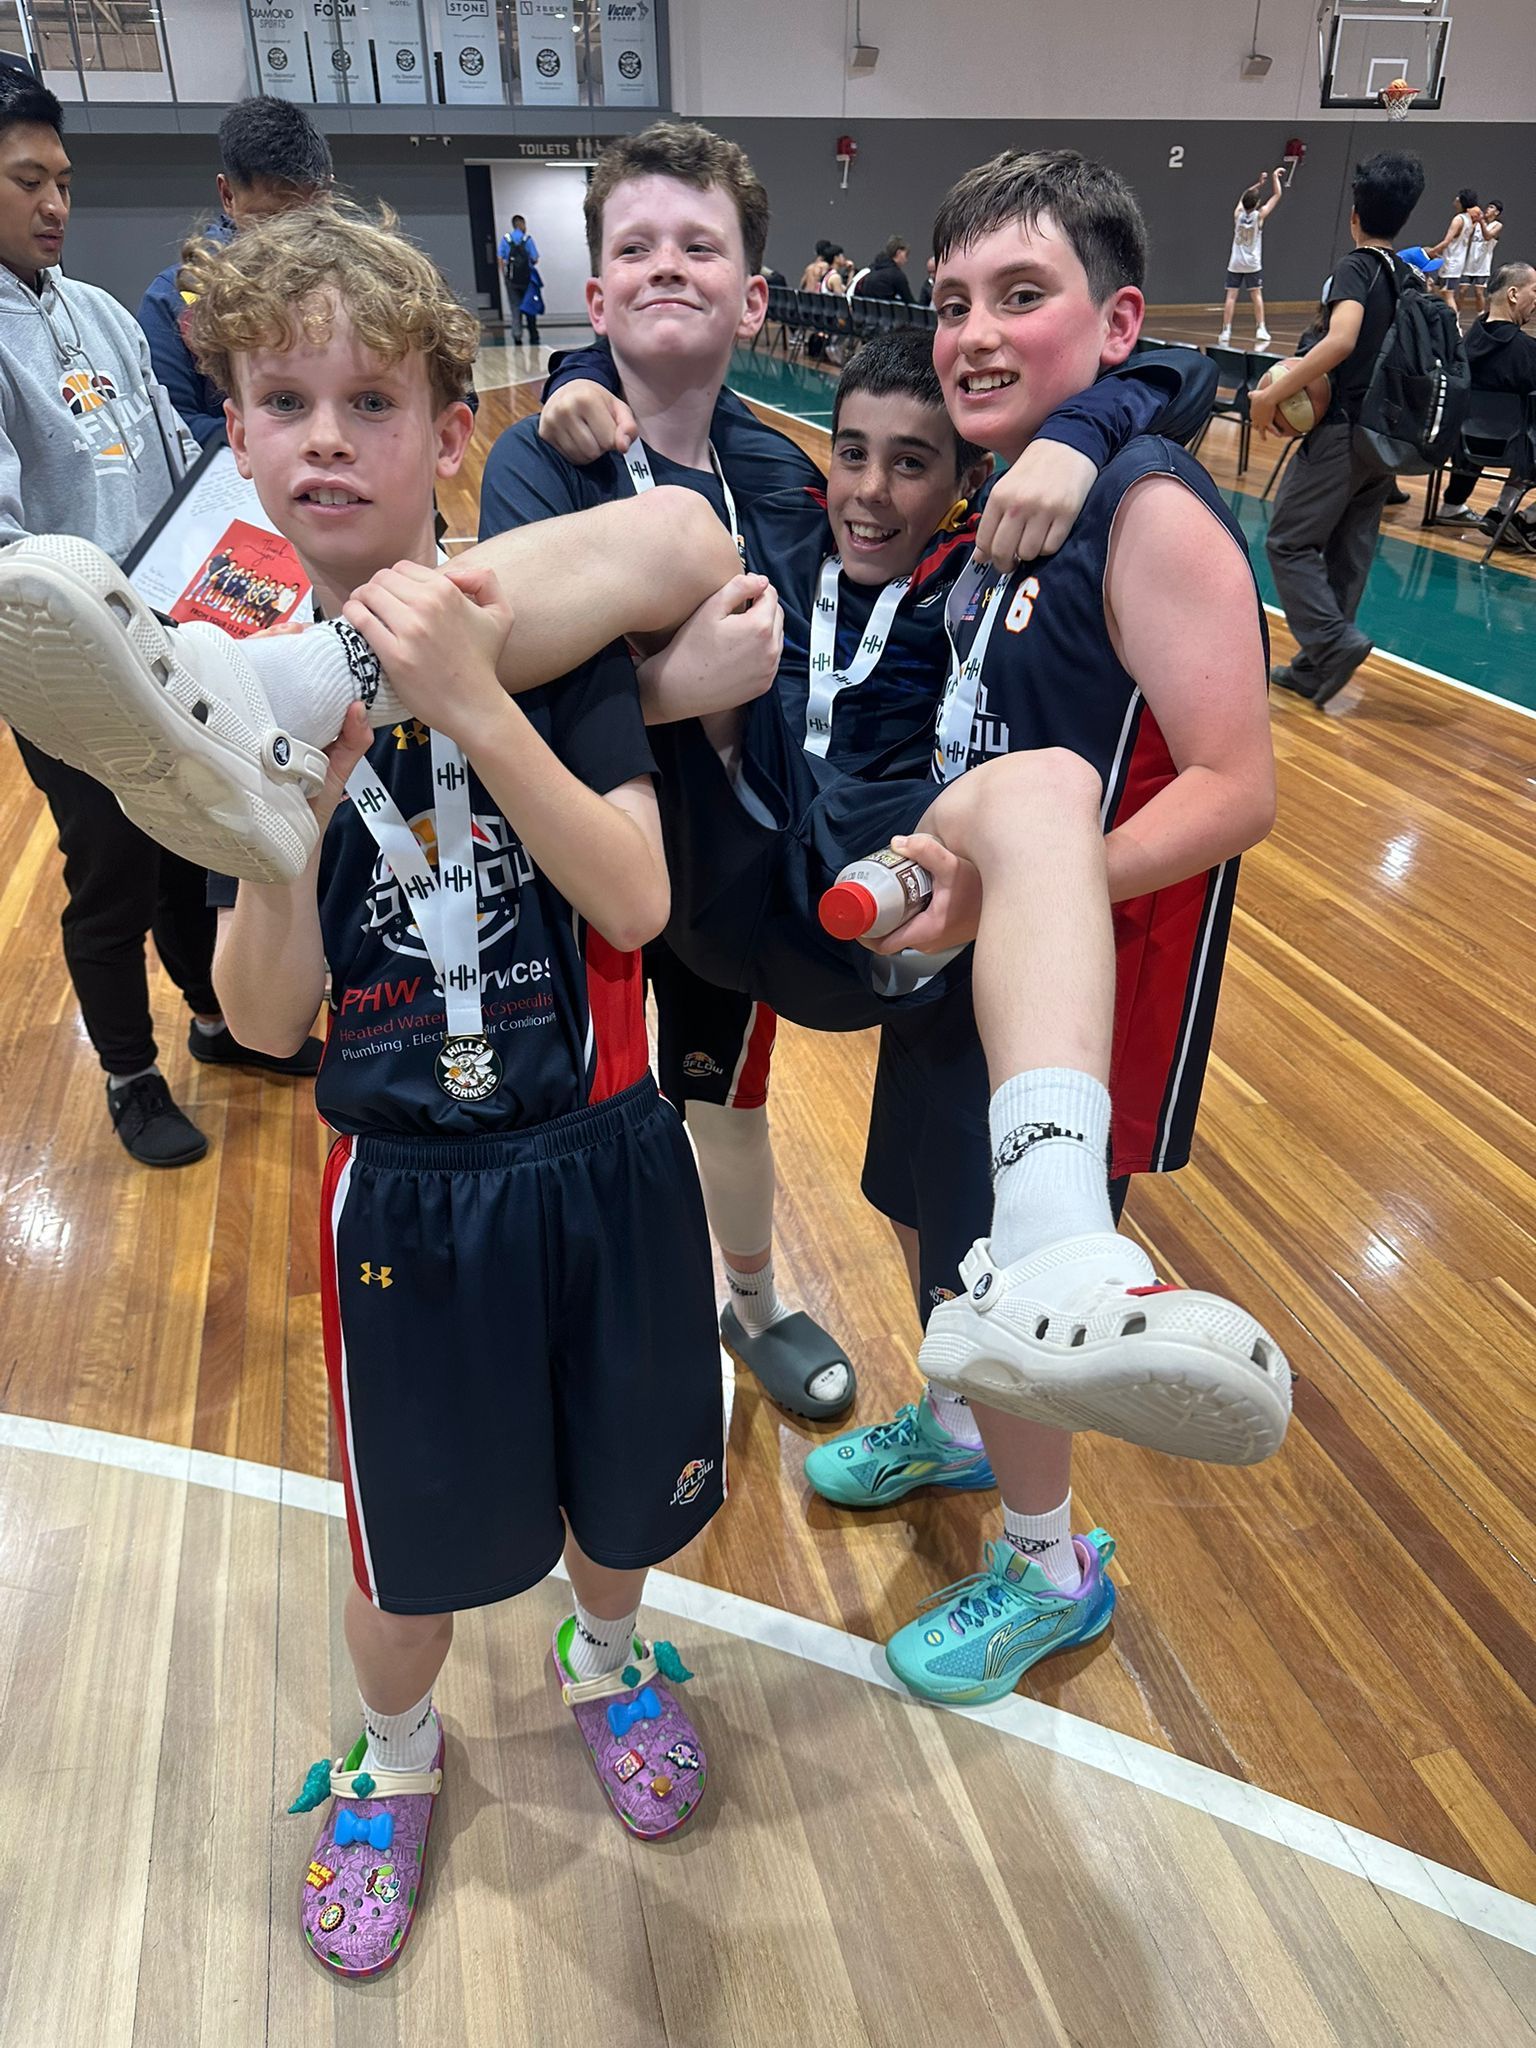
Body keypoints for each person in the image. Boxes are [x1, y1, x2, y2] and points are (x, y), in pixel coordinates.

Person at [539, 152, 1288, 1709]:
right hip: (965, 944)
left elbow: (1236, 787)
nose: (976, 331)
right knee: (919, 1209)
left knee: (1012, 1252)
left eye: (1024, 297)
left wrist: (1036, 883)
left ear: (1116, 318)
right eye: (955, 301)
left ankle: (1048, 1564)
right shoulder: (1016, 497)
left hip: (1087, 971)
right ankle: (962, 1430)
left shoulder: (1146, 514)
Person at [188, 203, 748, 1974]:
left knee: (619, 1488)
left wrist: (471, 704)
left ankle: (605, 1653)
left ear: (454, 432)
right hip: (404, 1191)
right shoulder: (230, 691)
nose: (330, 436)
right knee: (401, 1536)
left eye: (373, 401)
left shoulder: (550, 634)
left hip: (600, 1145)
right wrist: (281, 820)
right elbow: (263, 1017)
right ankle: (398, 1752)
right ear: (238, 436)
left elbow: (639, 902)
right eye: (288, 401)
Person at [482, 123, 859, 1419]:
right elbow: (507, 697)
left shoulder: (784, 478)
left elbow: (813, 686)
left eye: (702, 246)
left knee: (724, 1112)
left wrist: (732, 714)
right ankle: (597, 1320)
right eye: (634, 246)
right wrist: (666, 691)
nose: (666, 266)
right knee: (582, 1116)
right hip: (575, 877)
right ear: (594, 296)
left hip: (728, 887)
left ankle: (753, 1305)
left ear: (755, 296)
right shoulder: (542, 459)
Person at [0, 70, 318, 1167]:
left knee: (192, 843)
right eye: (27, 180)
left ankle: (220, 1021)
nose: (55, 204)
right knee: (113, 876)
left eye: (64, 181)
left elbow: (187, 462)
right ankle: (131, 1075)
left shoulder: (94, 311)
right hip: (65, 669)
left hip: (169, 635)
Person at [1253, 150, 1427, 708]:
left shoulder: (1357, 267)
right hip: (1385, 437)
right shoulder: (1411, 276)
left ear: (1355, 214)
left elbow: (1342, 339)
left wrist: (1270, 396)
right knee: (1349, 549)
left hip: (1344, 431)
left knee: (1288, 540)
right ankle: (1314, 666)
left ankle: (1330, 642)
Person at [137, 95, 332, 449]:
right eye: (270, 219)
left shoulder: (363, 277)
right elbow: (175, 421)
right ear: (228, 195)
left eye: (304, 217)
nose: (289, 239)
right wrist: (287, 441)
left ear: (326, 193)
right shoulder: (176, 295)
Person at [1430, 259, 1536, 541]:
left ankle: (1453, 505)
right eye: (1535, 291)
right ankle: (1522, 516)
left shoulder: (1463, 344)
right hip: (1516, 450)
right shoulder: (1527, 351)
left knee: (1487, 419)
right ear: (1514, 295)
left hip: (1462, 444)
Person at [1217, 167, 1285, 348]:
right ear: (1256, 204)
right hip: (1252, 263)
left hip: (1236, 263)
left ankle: (1226, 330)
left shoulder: (1237, 215)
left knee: (1231, 297)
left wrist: (1257, 184)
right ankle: (1261, 328)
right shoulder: (1259, 216)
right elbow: (1277, 195)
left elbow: (1243, 197)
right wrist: (1273, 178)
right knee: (1256, 295)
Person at [1427, 185, 1478, 313]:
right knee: (1436, 290)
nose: (1455, 198)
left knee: (1448, 295)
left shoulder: (1459, 219)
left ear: (1461, 201)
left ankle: (1455, 326)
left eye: (1458, 197)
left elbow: (1447, 241)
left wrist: (1432, 251)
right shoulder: (1468, 219)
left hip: (1452, 262)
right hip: (1453, 260)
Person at [498, 212, 541, 345]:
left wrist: (505, 275)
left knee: (515, 307)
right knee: (528, 305)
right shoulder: (527, 239)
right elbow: (535, 258)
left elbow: (500, 258)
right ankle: (533, 334)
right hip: (527, 279)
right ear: (521, 224)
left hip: (511, 280)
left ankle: (517, 336)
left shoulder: (506, 240)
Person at [1461, 198, 1504, 316]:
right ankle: (1456, 317)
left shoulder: (1497, 225)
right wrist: (1473, 222)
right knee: (1462, 290)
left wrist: (1481, 222)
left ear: (1497, 212)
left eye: (1491, 207)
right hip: (1469, 263)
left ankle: (1480, 317)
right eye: (1488, 206)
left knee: (1479, 293)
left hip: (1482, 266)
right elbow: (1466, 235)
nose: (1487, 209)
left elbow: (1488, 236)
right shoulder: (1478, 224)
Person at [857, 234, 915, 304]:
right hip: (887, 314)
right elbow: (910, 302)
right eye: (906, 255)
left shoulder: (872, 269)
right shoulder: (897, 275)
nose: (906, 260)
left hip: (868, 313)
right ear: (899, 253)